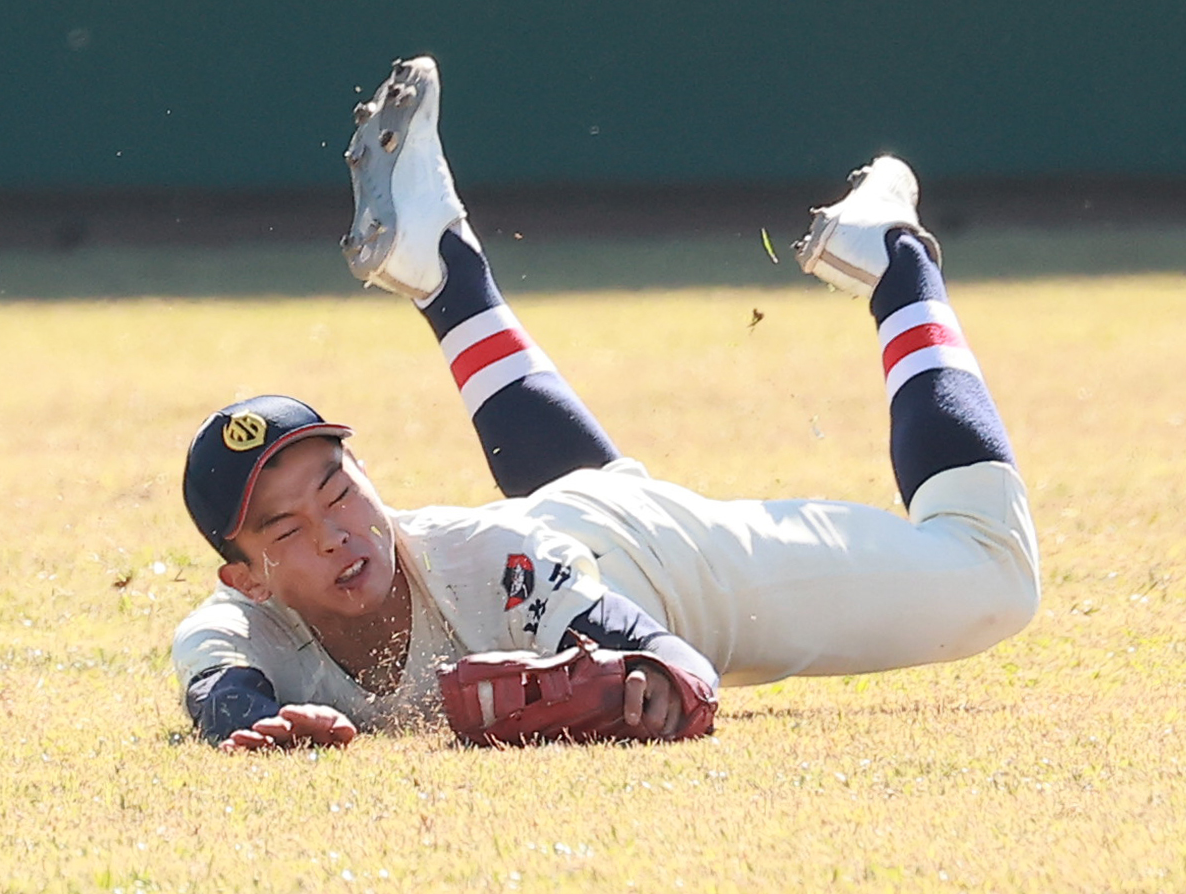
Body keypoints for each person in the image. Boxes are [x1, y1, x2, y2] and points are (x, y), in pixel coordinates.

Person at [172, 56, 1040, 751]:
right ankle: (444, 271)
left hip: (655, 561)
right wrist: (256, 727)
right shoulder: (242, 627)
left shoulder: (496, 557)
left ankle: (895, 259)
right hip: (564, 529)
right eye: (284, 531)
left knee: (995, 575)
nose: (333, 532)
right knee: (590, 491)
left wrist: (657, 676)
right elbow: (218, 686)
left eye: (339, 490)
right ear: (245, 577)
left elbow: (662, 651)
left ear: (368, 477)